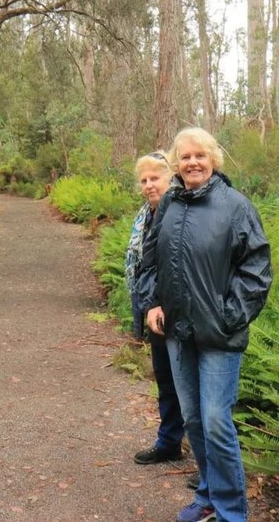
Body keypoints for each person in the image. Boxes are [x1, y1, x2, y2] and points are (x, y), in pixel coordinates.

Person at [140, 128, 272, 522]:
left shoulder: (235, 206)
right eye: (185, 157)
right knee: (194, 418)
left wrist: (229, 315)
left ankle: (232, 512)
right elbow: (151, 259)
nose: (193, 162)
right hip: (178, 333)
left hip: (219, 334)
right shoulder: (168, 206)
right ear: (176, 163)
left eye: (200, 155)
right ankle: (208, 495)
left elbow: (257, 269)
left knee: (216, 420)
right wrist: (153, 302)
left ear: (213, 159)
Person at [124, 152, 188, 475]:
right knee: (165, 380)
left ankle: (211, 469)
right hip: (156, 311)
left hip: (181, 313)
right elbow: (144, 265)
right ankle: (169, 442)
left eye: (155, 178)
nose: (149, 185)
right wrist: (149, 305)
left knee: (190, 386)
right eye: (144, 180)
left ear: (170, 178)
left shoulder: (180, 211)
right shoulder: (146, 215)